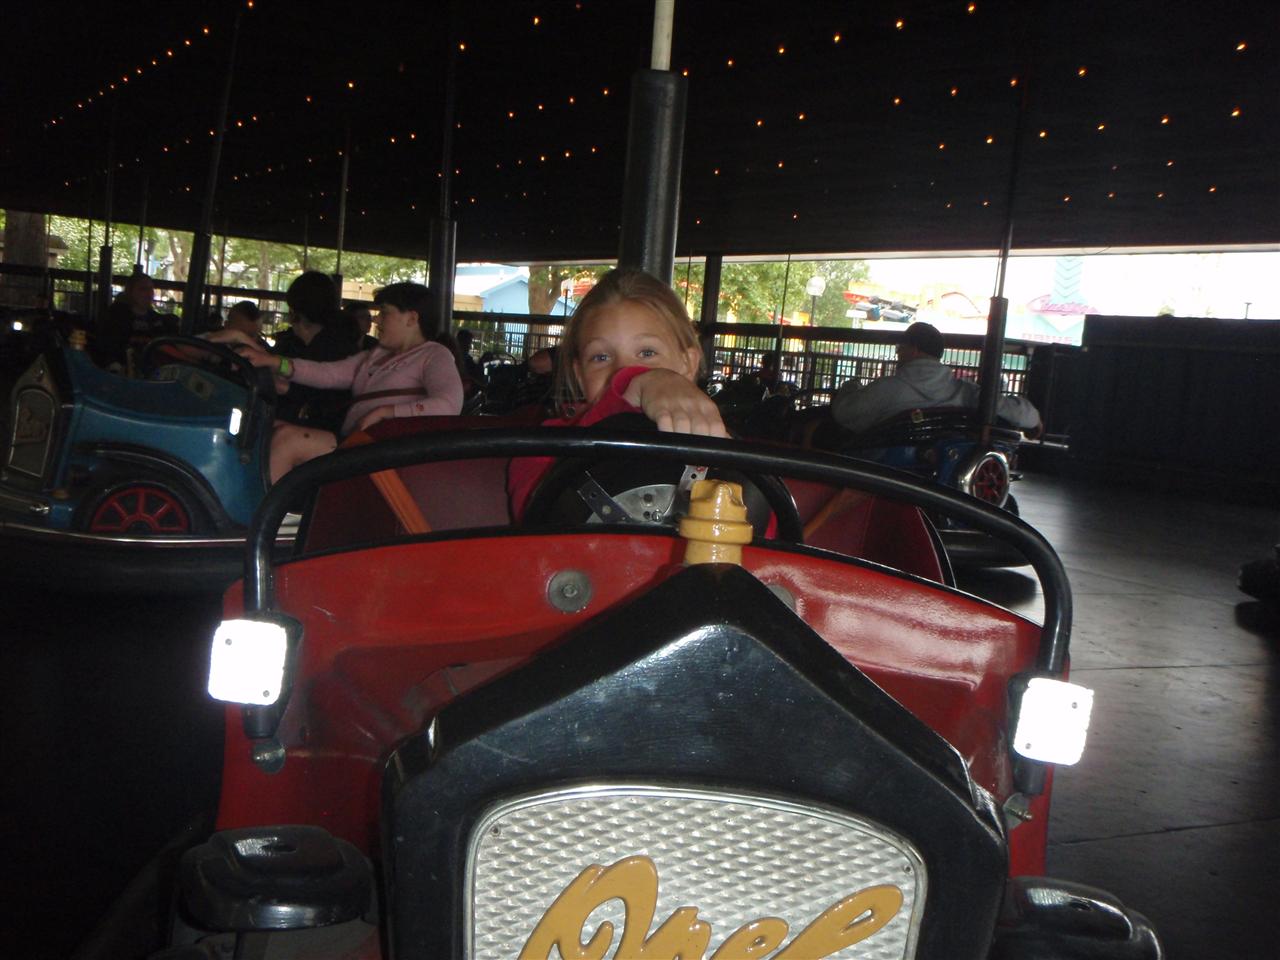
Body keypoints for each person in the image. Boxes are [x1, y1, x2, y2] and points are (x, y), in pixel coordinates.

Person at [507, 268, 727, 519]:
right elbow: (535, 526)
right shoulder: (540, 450)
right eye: (601, 357)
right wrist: (634, 387)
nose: (624, 371)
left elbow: (765, 527)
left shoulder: (720, 447)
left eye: (647, 353)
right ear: (580, 376)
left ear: (687, 363)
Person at [238, 281, 464, 483]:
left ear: (412, 318)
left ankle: (262, 524)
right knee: (272, 427)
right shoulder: (375, 355)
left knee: (288, 440)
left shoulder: (434, 355)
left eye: (384, 313)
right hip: (359, 443)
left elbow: (448, 404)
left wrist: (387, 412)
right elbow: (328, 373)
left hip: (385, 450)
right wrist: (274, 362)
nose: (376, 320)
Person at [830, 321, 1040, 434]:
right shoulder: (964, 392)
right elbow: (1020, 413)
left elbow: (844, 414)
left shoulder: (887, 388)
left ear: (913, 350)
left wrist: (849, 386)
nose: (897, 353)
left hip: (884, 479)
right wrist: (1036, 421)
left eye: (900, 348)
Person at [98, 271, 178, 371]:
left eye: (151, 289)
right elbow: (109, 349)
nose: (149, 294)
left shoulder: (157, 320)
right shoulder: (116, 317)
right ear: (130, 292)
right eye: (143, 289)